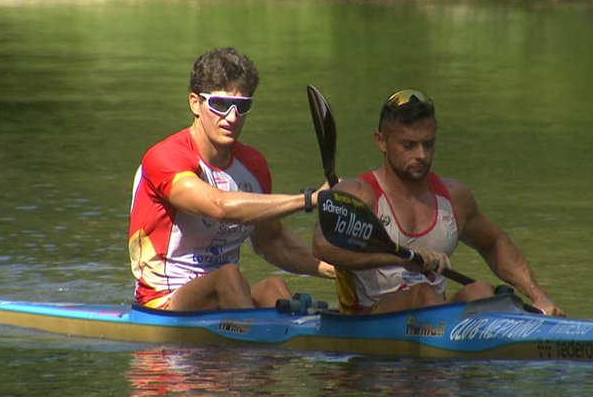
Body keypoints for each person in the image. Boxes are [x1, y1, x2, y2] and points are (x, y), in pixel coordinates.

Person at [312, 89, 564, 317]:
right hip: (369, 318)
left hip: (434, 314)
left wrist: (538, 296)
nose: (421, 155)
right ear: (381, 142)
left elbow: (495, 243)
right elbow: (322, 246)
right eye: (409, 145)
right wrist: (400, 259)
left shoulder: (454, 198)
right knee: (423, 293)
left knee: (481, 291)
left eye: (428, 144)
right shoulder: (359, 193)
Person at [129, 47, 334, 311]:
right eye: (221, 104)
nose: (233, 117)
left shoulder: (254, 165)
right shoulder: (164, 157)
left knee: (273, 288)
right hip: (164, 301)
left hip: (228, 293)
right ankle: (259, 345)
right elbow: (220, 207)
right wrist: (310, 199)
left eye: (242, 106)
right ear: (195, 103)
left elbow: (272, 241)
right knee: (228, 276)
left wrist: (338, 269)